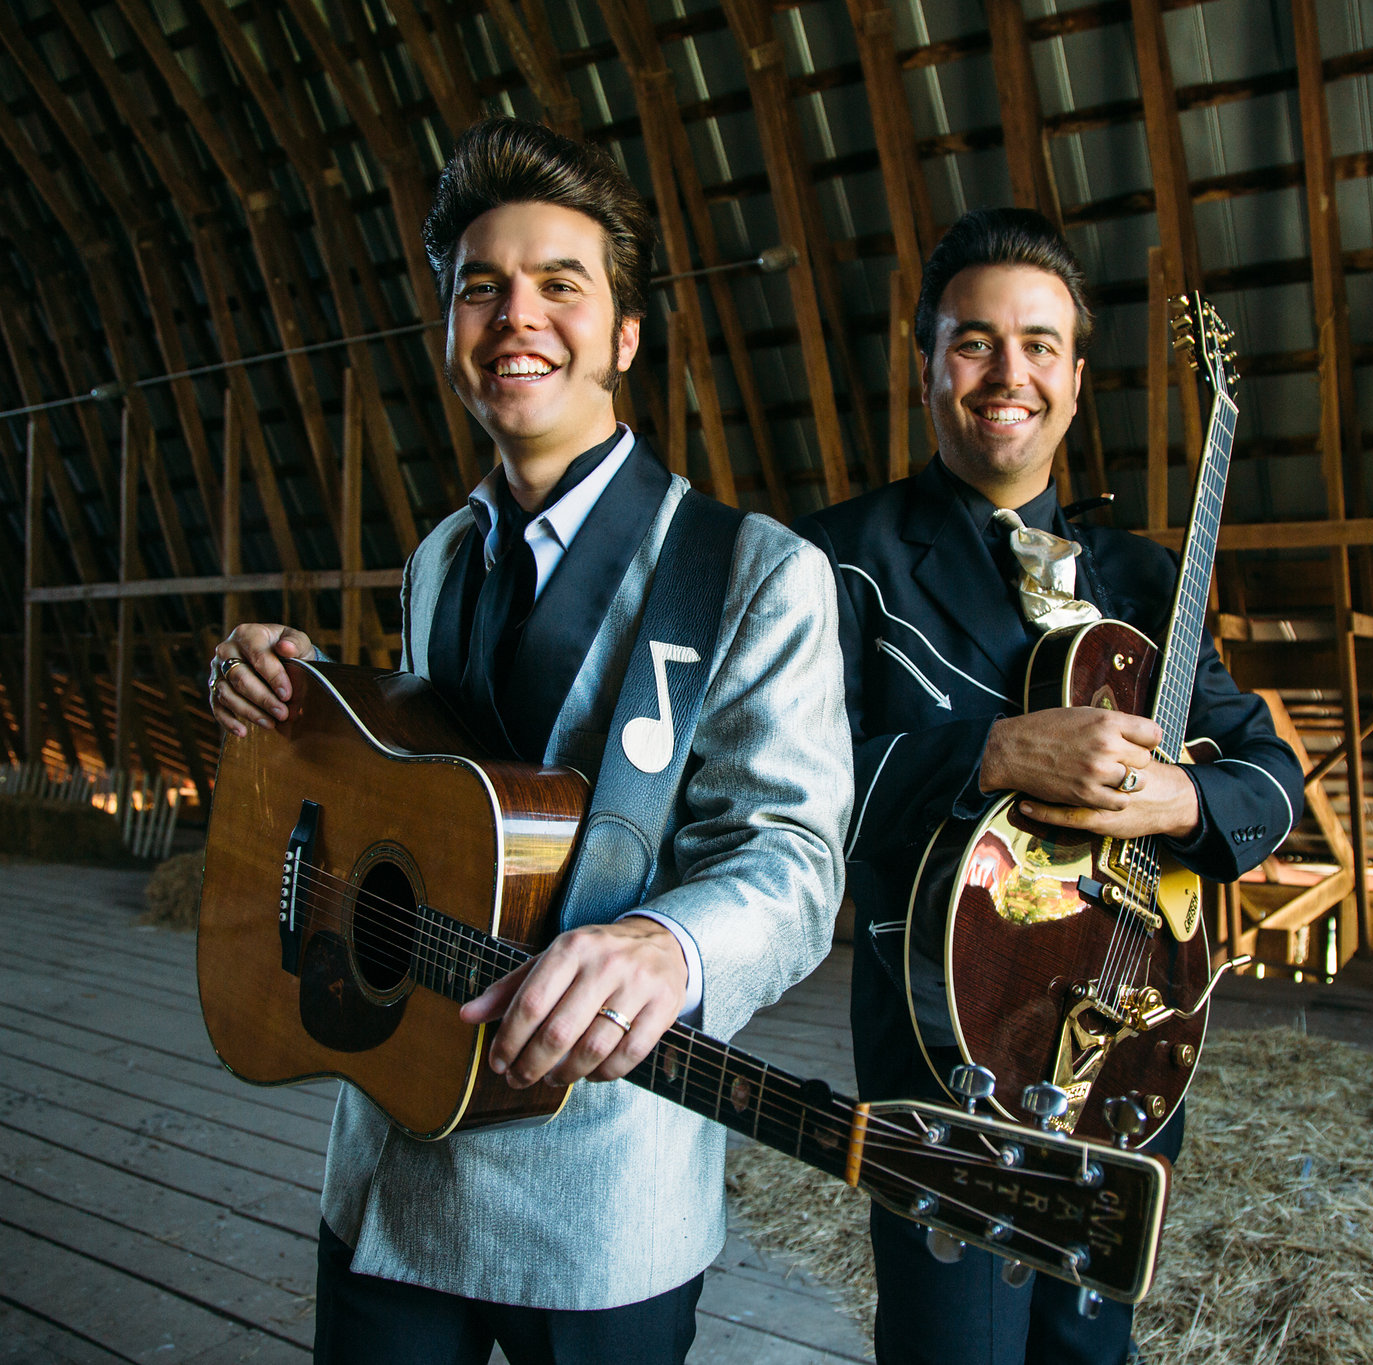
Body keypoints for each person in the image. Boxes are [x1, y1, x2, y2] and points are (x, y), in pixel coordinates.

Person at [207, 118, 850, 1365]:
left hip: (602, 1196)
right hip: (392, 1154)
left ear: (622, 335)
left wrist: (667, 946)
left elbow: (792, 861)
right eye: (480, 288)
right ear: (448, 333)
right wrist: (282, 697)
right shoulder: (441, 556)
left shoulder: (753, 572)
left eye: (562, 284)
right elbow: (424, 775)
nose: (517, 316)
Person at [796, 208, 1303, 1365]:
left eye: (1037, 344)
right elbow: (780, 795)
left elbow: (1272, 782)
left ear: (1075, 379)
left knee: (1090, 1355)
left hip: (1129, 1042)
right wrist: (991, 755)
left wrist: (1179, 802)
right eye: (972, 342)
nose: (1004, 373)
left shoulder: (1143, 580)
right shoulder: (832, 560)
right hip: (946, 1053)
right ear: (926, 365)